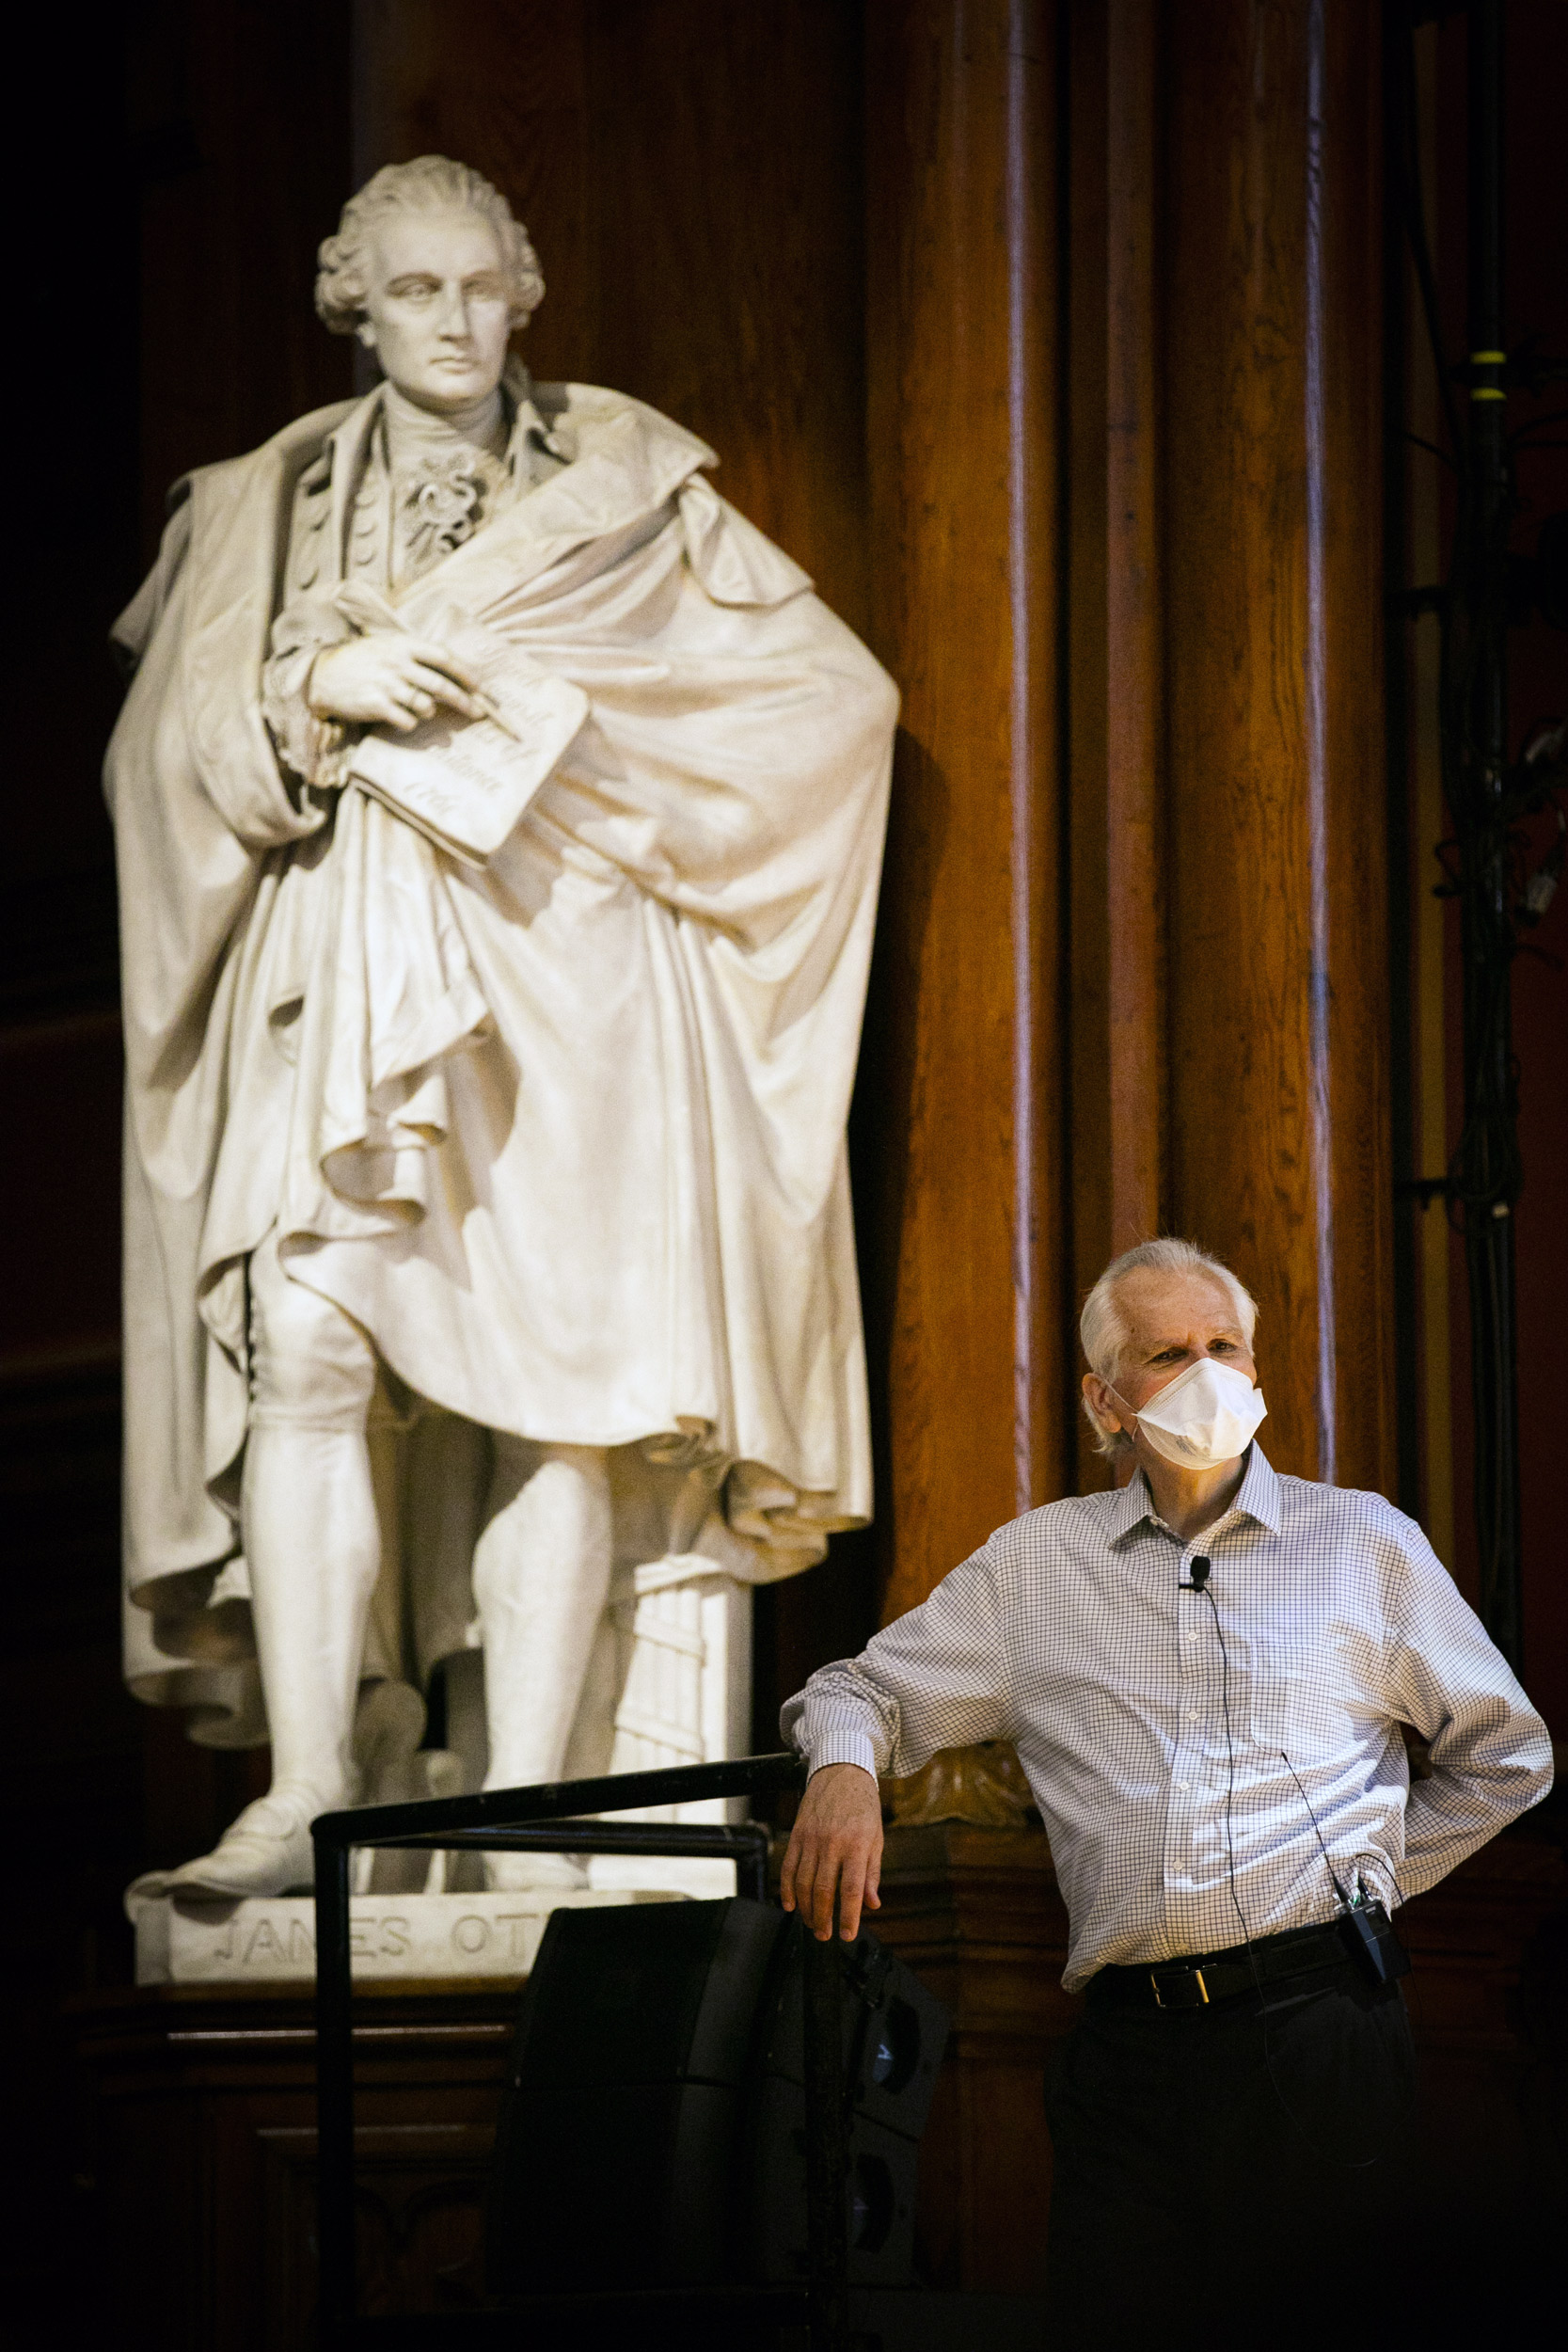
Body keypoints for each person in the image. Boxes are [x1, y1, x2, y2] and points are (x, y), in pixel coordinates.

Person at [111, 156, 896, 1901]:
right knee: (307, 1346)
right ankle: (310, 1795)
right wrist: (307, 688)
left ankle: (527, 1805)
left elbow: (833, 708)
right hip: (350, 965)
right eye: (413, 293)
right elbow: (156, 763)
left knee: (575, 1392)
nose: (453, 324)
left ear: (523, 292)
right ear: (353, 301)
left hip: (581, 963)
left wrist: (608, 781)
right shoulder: (270, 501)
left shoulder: (633, 490)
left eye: (479, 289)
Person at [780, 1236, 1552, 2334]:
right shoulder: (1033, 1565)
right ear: (1103, 1400)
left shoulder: (1360, 1541)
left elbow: (1506, 1755)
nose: (1203, 1372)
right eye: (1162, 1353)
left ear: (1256, 1369)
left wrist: (1363, 1876)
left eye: (1221, 1344)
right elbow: (857, 1687)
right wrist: (846, 1769)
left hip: (1315, 2025)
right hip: (1126, 2055)